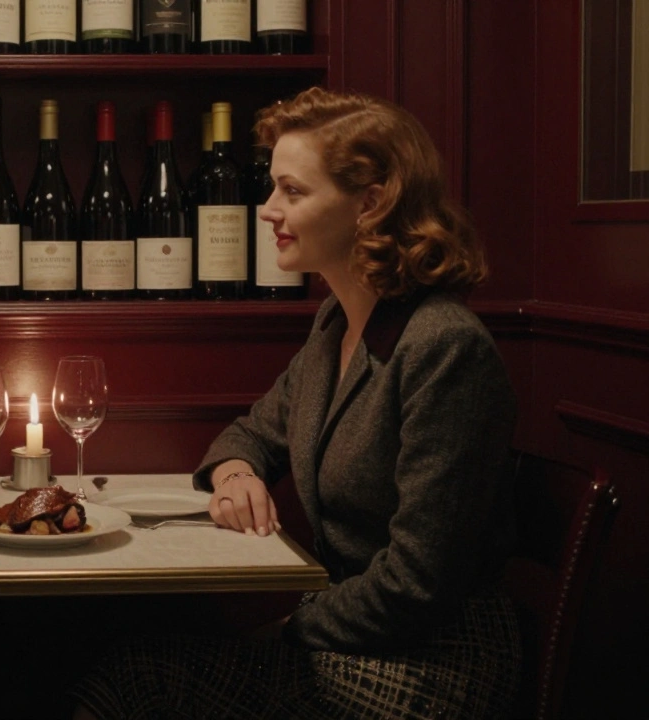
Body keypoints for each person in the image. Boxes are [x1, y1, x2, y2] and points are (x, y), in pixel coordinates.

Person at [72, 87, 520, 719]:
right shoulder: (337, 322)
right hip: (358, 631)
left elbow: (418, 587)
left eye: (292, 191)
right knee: (125, 650)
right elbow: (249, 433)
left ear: (369, 204)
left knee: (137, 679)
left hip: (433, 661)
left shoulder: (444, 347)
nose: (266, 209)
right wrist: (234, 473)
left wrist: (288, 625)